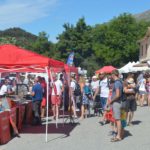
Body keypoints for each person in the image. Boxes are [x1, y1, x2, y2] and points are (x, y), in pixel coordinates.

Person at [107, 70, 123, 142]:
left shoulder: (116, 83)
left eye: (111, 75)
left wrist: (111, 101)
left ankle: (118, 136)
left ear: (114, 75)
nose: (111, 76)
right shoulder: (120, 82)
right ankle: (119, 134)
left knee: (118, 119)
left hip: (116, 102)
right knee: (118, 119)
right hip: (118, 102)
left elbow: (117, 94)